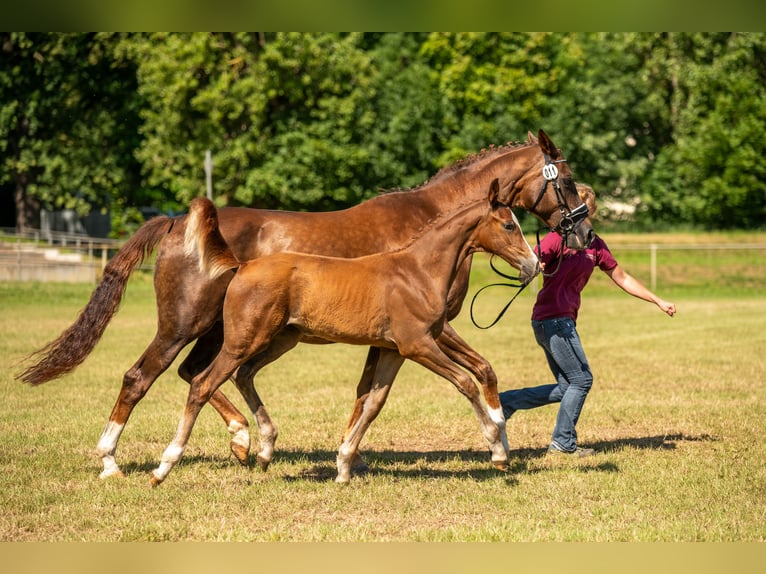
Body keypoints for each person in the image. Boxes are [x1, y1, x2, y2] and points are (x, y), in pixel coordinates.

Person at [499, 185, 676, 457]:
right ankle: (563, 443)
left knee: (567, 386)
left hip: (559, 321)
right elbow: (530, 262)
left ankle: (507, 403)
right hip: (552, 321)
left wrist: (658, 300)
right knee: (582, 380)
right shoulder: (556, 238)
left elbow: (623, 277)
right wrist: (534, 268)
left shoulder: (595, 245)